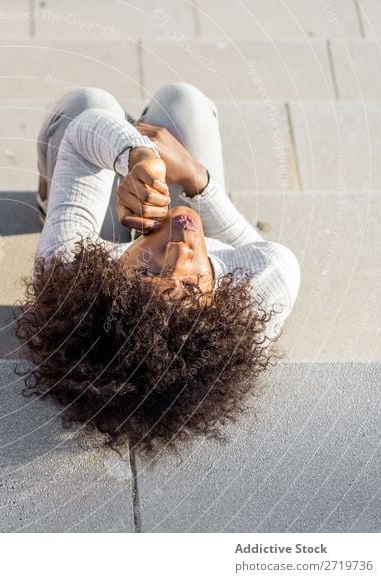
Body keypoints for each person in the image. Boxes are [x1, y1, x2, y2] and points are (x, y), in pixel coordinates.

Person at [17, 83, 300, 455]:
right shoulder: (254, 293)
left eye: (149, 274)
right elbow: (259, 251)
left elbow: (83, 131)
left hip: (94, 240)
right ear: (216, 310)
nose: (181, 252)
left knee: (90, 102)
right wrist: (198, 180)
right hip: (204, 226)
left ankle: (49, 197)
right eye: (193, 287)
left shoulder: (68, 269)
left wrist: (136, 157)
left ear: (111, 283)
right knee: (184, 104)